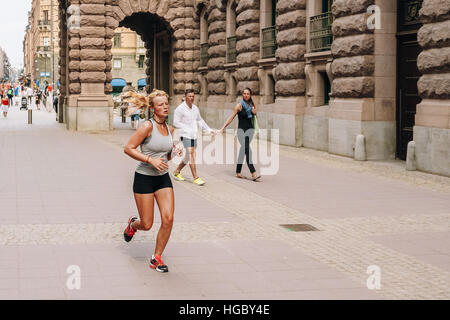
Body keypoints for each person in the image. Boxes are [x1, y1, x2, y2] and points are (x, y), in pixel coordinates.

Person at [123, 89, 183, 273]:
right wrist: (150, 160)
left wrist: (173, 154)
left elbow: (164, 155)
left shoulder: (169, 128)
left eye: (166, 104)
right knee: (147, 224)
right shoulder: (147, 127)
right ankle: (133, 224)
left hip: (162, 179)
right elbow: (128, 148)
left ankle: (156, 257)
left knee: (168, 218)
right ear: (153, 108)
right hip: (144, 179)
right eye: (160, 105)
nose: (165, 107)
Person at [172, 89, 215, 186]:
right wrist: (185, 128)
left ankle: (177, 171)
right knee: (191, 154)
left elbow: (200, 121)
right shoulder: (180, 109)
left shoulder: (195, 108)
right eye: (189, 96)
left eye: (193, 96)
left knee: (188, 157)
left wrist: (209, 130)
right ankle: (196, 178)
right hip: (185, 135)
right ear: (185, 97)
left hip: (193, 135)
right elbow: (175, 122)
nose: (191, 98)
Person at [219, 88, 261, 181]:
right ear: (242, 95)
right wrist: (223, 127)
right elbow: (231, 117)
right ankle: (253, 173)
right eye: (244, 93)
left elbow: (254, 119)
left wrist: (255, 113)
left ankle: (238, 172)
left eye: (248, 94)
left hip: (250, 131)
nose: (246, 95)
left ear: (250, 95)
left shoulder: (251, 105)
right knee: (248, 151)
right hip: (241, 132)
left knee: (243, 151)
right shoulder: (239, 106)